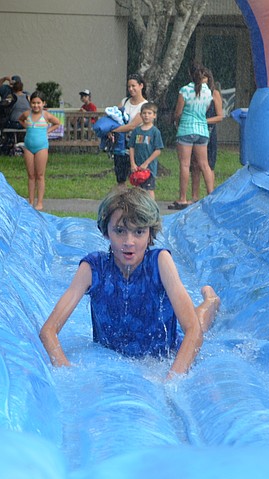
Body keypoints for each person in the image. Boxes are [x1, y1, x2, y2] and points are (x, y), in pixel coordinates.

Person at [39, 186, 220, 378]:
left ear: (150, 233)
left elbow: (192, 331)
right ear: (106, 231)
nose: (129, 241)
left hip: (162, 351)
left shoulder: (160, 262)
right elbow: (48, 331)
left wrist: (171, 379)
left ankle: (211, 300)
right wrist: (66, 370)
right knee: (194, 320)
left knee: (198, 323)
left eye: (139, 232)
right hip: (115, 360)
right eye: (120, 231)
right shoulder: (93, 268)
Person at [169, 64, 220, 210]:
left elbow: (178, 112)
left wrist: (176, 120)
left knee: (185, 164)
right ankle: (211, 195)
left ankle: (183, 198)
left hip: (186, 129)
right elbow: (205, 109)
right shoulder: (208, 92)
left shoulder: (185, 90)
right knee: (204, 164)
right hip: (202, 130)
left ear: (191, 75)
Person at [18, 91, 61, 210]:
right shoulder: (27, 114)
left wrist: (47, 131)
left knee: (40, 175)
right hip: (28, 147)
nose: (36, 105)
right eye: (33, 103)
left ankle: (40, 202)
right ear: (30, 103)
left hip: (41, 147)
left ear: (43, 103)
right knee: (31, 175)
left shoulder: (46, 115)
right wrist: (27, 127)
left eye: (38, 103)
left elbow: (57, 123)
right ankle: (31, 201)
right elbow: (20, 119)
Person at [190, 67, 224, 203]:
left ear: (209, 79)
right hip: (193, 130)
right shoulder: (192, 93)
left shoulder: (214, 93)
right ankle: (194, 196)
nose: (202, 81)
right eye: (199, 78)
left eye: (204, 78)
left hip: (208, 130)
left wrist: (204, 121)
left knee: (209, 163)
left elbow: (220, 116)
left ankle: (211, 194)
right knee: (194, 164)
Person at [109, 74, 148, 187]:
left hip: (138, 142)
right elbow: (114, 116)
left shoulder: (145, 105)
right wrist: (109, 129)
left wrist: (114, 129)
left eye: (133, 86)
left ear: (141, 86)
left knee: (138, 176)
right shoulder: (124, 101)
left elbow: (132, 126)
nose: (131, 89)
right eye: (129, 86)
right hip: (122, 143)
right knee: (121, 177)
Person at [128, 102, 164, 200]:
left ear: (154, 115)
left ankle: (151, 207)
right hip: (137, 166)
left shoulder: (155, 132)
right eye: (144, 113)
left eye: (149, 113)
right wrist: (132, 163)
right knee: (137, 189)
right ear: (140, 115)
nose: (146, 115)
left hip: (149, 168)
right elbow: (131, 147)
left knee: (149, 189)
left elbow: (158, 150)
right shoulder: (136, 131)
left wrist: (146, 163)